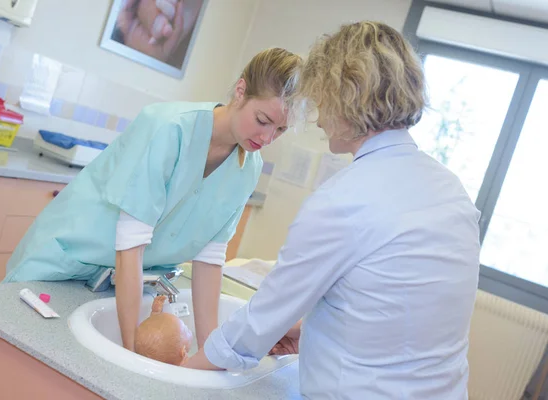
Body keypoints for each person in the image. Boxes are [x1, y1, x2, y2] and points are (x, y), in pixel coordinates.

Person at [184, 22, 481, 400]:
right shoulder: (449, 189)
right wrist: (313, 332)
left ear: (344, 99)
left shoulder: (344, 200)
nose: (319, 119)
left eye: (320, 100)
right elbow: (406, 316)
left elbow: (255, 326)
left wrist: (175, 375)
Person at [3, 47, 302, 352]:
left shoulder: (248, 167)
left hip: (121, 287)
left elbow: (210, 260)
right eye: (263, 120)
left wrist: (210, 351)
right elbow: (131, 246)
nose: (267, 138)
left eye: (280, 129)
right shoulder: (169, 128)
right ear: (240, 92)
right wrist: (132, 349)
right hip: (62, 269)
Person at [135, 295, 193, 366]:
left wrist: (155, 313)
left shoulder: (153, 365)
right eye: (185, 329)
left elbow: (155, 332)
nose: (187, 327)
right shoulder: (186, 367)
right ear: (183, 352)